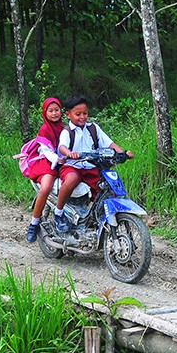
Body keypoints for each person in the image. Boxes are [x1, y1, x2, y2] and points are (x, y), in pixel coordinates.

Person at [54, 94, 133, 232]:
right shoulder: (67, 132)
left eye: (85, 113)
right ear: (68, 115)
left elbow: (109, 143)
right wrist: (69, 153)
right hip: (73, 166)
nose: (82, 117)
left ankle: (98, 220)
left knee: (107, 188)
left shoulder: (93, 128)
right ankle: (58, 212)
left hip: (91, 167)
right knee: (72, 179)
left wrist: (122, 153)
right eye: (78, 114)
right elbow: (62, 147)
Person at [25, 97, 66, 243]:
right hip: (47, 163)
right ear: (45, 112)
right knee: (46, 187)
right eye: (51, 111)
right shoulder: (44, 129)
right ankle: (34, 223)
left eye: (57, 110)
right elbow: (46, 150)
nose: (54, 113)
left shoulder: (65, 128)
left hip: (65, 162)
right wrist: (57, 159)